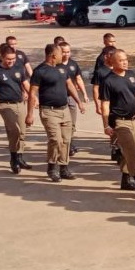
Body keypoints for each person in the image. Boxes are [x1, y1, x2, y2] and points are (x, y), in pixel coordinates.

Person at [26, 43, 85, 182]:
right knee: (55, 140)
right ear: (53, 55)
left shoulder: (62, 68)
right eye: (60, 53)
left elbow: (70, 85)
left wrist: (79, 101)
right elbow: (32, 93)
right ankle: (52, 167)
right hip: (49, 111)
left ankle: (64, 168)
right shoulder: (40, 71)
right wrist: (30, 114)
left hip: (64, 110)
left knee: (66, 140)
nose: (63, 55)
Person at [100, 50, 135, 197]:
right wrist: (106, 125)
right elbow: (105, 105)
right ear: (113, 62)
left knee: (131, 150)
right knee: (132, 152)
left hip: (134, 120)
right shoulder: (108, 81)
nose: (125, 62)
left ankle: (125, 179)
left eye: (126, 59)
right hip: (120, 122)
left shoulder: (131, 75)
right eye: (121, 60)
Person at [0, 45, 32, 173]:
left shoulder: (19, 68)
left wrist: (35, 98)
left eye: (13, 59)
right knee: (14, 131)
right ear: (1, 57)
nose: (11, 61)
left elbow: (26, 84)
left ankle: (20, 157)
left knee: (22, 132)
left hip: (20, 103)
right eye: (8, 59)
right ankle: (13, 158)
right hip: (5, 105)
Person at [60, 42, 89, 156]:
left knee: (72, 123)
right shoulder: (56, 65)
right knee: (62, 124)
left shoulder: (73, 64)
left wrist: (84, 94)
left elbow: (79, 79)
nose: (66, 54)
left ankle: (70, 143)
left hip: (71, 97)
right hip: (60, 98)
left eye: (68, 52)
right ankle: (63, 145)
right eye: (64, 52)